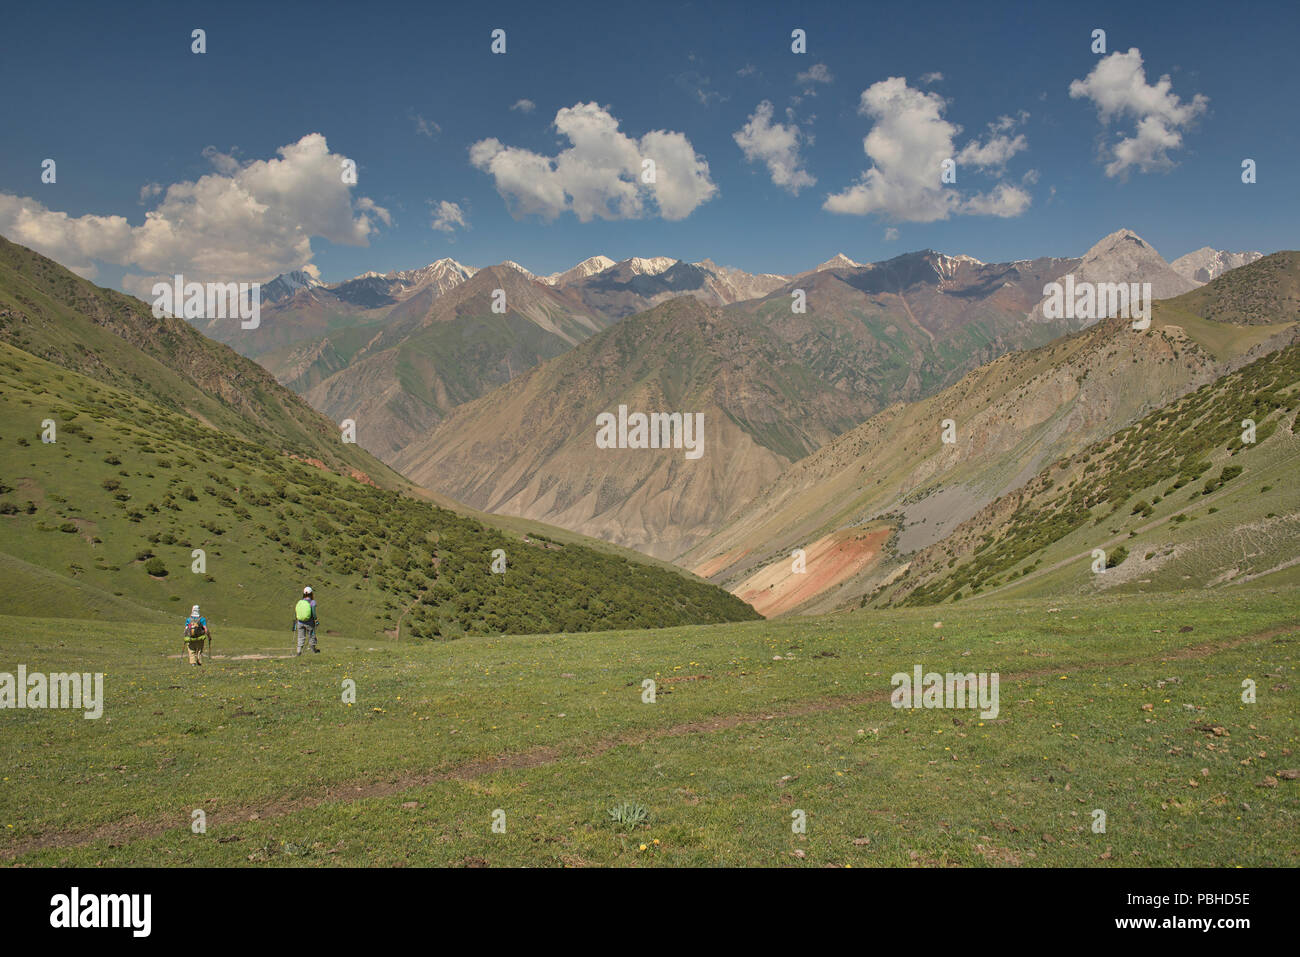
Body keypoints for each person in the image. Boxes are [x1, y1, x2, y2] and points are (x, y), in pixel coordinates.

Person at [294, 586, 320, 656]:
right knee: (312, 635)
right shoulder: (312, 602)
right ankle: (313, 649)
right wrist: (316, 620)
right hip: (309, 622)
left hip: (300, 622)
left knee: (301, 636)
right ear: (311, 593)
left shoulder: (300, 602)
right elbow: (313, 612)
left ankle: (299, 651)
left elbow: (296, 611)